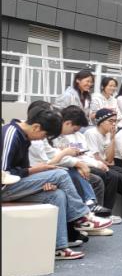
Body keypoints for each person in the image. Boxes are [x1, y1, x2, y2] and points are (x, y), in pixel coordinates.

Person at [2, 106, 113, 260]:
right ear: (36, 127)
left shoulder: (25, 136)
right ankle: (82, 216)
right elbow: (4, 175)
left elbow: (23, 170)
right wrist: (38, 171)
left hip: (14, 185)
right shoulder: (11, 134)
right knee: (60, 174)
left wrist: (40, 183)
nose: (41, 139)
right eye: (44, 135)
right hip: (4, 186)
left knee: (57, 195)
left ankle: (59, 247)